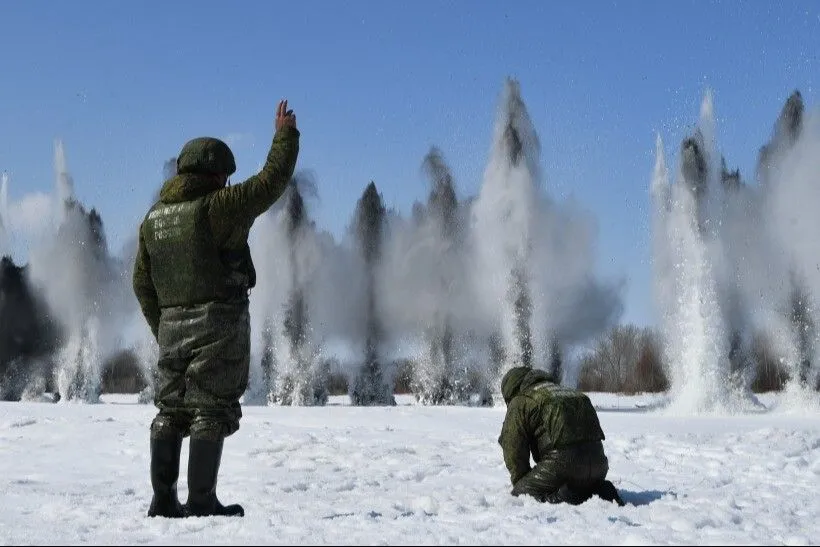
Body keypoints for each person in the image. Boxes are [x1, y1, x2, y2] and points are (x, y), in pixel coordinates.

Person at [133, 99, 300, 518]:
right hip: (218, 325)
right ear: (215, 175)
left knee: (170, 409)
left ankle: (163, 499)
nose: (228, 182)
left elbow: (141, 283)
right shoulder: (217, 207)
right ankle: (202, 500)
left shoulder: (154, 218)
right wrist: (283, 135)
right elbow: (269, 183)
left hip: (171, 327)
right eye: (225, 176)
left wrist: (165, 327)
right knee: (209, 407)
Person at [498, 366, 625, 506]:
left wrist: (522, 482)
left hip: (564, 464)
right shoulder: (570, 392)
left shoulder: (521, 399)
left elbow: (512, 445)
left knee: (521, 494)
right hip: (599, 466)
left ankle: (565, 497)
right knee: (578, 478)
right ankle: (600, 490)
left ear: (511, 390)